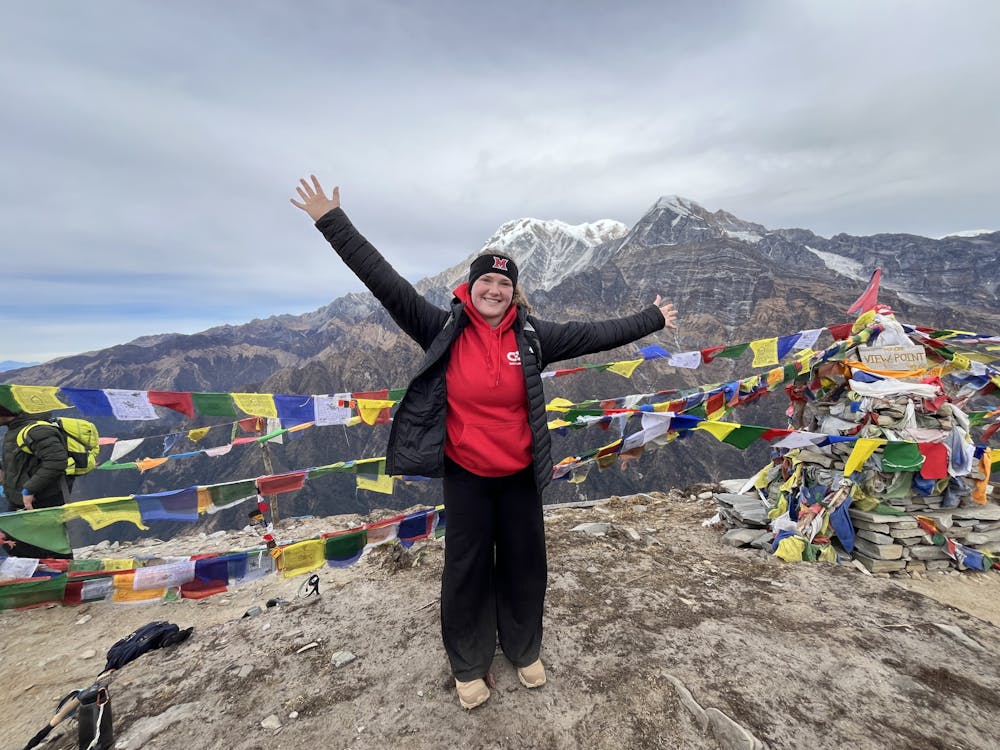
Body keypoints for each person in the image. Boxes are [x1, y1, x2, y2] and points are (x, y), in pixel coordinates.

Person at [291, 175, 678, 710]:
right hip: (467, 475)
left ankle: (523, 647)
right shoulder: (440, 330)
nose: (494, 292)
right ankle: (469, 663)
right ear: (469, 288)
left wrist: (653, 317)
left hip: (520, 474)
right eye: (485, 284)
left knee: (525, 562)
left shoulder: (534, 337)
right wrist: (332, 222)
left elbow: (596, 333)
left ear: (513, 291)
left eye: (503, 286)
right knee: (466, 567)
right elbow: (386, 283)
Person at [0, 405, 75, 558]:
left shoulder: (37, 430)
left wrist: (30, 489)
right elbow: (23, 462)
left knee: (50, 544)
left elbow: (56, 461)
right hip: (21, 498)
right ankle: (43, 573)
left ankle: (64, 577)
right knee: (12, 539)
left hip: (41, 497)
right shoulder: (15, 429)